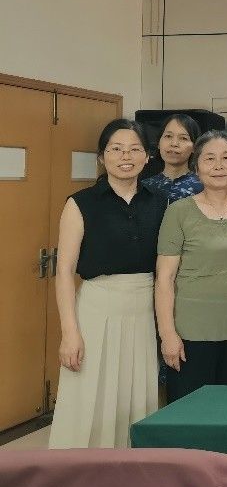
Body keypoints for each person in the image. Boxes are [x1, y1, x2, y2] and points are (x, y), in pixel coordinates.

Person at [50, 120, 167, 448]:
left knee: (136, 397)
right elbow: (64, 271)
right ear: (102, 157)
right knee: (89, 393)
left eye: (134, 149)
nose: (125, 156)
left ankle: (127, 469)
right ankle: (79, 469)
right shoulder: (80, 203)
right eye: (116, 149)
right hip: (96, 309)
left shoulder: (159, 202)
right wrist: (69, 332)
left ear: (147, 156)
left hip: (143, 310)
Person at [155, 130, 227, 401]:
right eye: (209, 159)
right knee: (188, 411)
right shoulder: (178, 212)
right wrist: (167, 334)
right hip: (190, 333)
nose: (218, 166)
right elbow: (164, 279)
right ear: (196, 166)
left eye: (226, 158)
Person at [141, 113, 203, 202]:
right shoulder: (144, 187)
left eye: (183, 138)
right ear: (158, 143)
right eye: (168, 136)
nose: (174, 143)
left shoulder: (204, 189)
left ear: (194, 147)